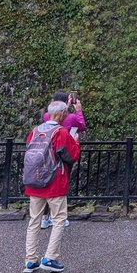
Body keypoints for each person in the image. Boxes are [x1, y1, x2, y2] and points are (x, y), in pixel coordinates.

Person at [23, 99, 81, 273]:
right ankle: (50, 257)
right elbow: (72, 156)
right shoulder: (60, 133)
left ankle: (30, 260)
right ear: (62, 114)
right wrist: (76, 141)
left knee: (34, 220)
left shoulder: (34, 131)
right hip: (54, 183)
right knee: (59, 220)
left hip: (34, 182)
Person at [40, 91, 86, 229]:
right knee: (61, 185)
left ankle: (44, 217)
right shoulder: (71, 118)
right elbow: (82, 126)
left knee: (48, 184)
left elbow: (56, 117)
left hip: (49, 153)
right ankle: (58, 217)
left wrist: (64, 107)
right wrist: (78, 110)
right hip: (64, 154)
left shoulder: (46, 116)